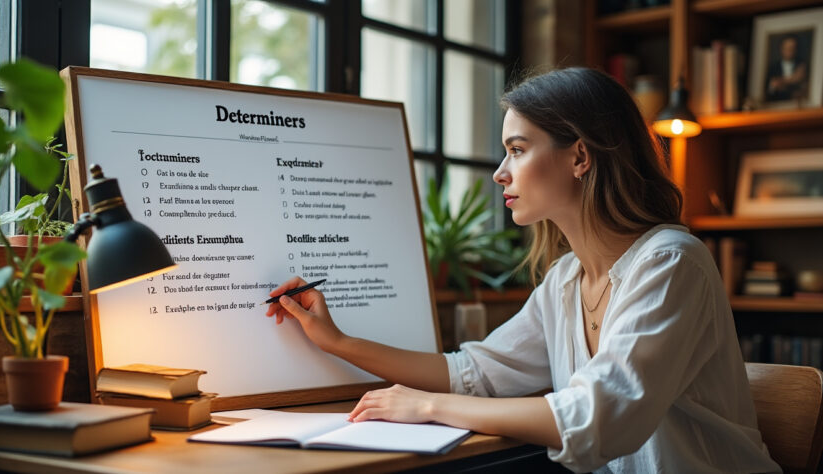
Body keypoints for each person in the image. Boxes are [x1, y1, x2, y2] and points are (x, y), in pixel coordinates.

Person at [266, 67, 781, 473]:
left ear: (580, 156)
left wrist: (426, 408)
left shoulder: (671, 262)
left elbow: (598, 419)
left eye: (517, 149)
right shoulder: (564, 280)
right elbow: (474, 375)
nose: (499, 172)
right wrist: (336, 341)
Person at [765, 34, 808, 102]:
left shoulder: (802, 65)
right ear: (781, 49)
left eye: (792, 48)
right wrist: (791, 79)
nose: (790, 51)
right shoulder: (773, 68)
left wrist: (781, 82)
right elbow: (769, 89)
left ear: (796, 49)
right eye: (787, 48)